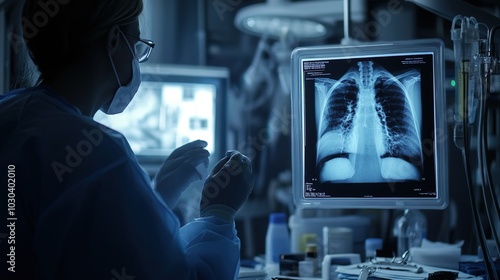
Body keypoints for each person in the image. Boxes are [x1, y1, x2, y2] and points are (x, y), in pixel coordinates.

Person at [0, 0, 254, 279]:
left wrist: (155, 200)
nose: (136, 59)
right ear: (113, 42)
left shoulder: (10, 113)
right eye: (137, 46)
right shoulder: (100, 153)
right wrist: (219, 214)